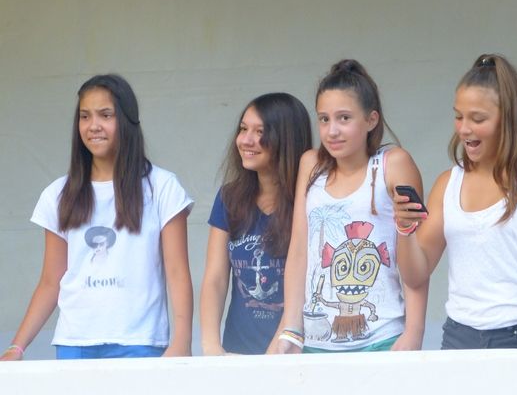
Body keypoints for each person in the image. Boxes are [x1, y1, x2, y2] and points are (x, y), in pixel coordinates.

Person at [394, 53, 517, 350]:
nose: (464, 129)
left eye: (477, 119)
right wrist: (405, 230)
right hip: (459, 336)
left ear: (508, 118)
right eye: (458, 116)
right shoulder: (447, 183)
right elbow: (416, 274)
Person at [1, 74, 194, 360]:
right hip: (74, 343)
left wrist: (182, 343)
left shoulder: (162, 186)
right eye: (85, 116)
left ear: (127, 120)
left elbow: (177, 272)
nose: (93, 126)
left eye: (105, 115)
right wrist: (16, 347)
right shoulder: (58, 194)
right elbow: (51, 281)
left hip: (140, 342)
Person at [270, 59, 428, 353]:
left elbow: (415, 255)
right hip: (317, 341)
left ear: (371, 120)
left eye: (344, 118)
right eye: (324, 119)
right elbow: (299, 250)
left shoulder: (393, 163)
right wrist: (291, 329)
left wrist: (414, 332)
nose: (332, 131)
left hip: (381, 337)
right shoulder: (311, 164)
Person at [200, 93, 312, 355]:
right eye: (243, 129)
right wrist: (211, 345)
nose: (245, 140)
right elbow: (215, 278)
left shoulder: (311, 200)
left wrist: (278, 348)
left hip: (292, 353)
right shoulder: (229, 197)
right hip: (236, 353)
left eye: (260, 132)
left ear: (286, 139)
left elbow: (305, 285)